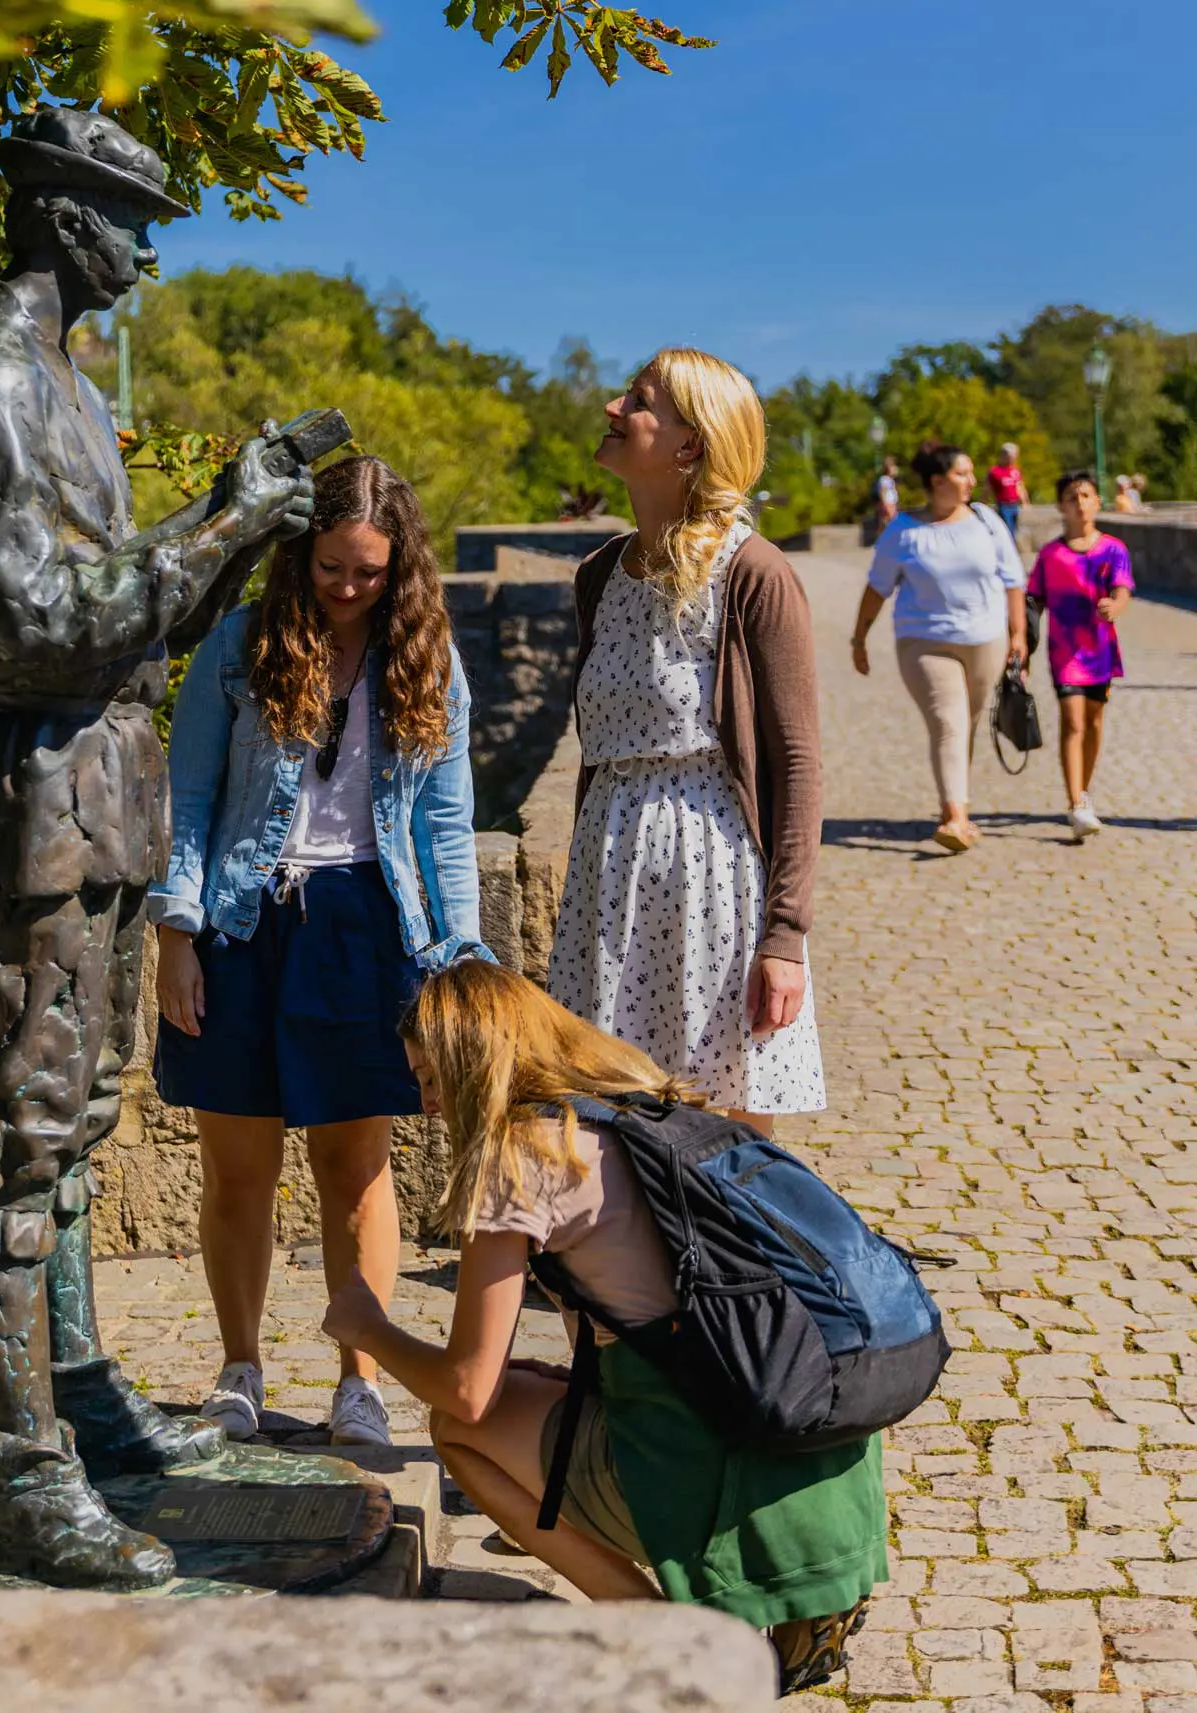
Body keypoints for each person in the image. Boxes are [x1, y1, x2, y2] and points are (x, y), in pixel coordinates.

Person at [0, 107, 317, 1586]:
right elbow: (32, 631)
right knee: (24, 1141)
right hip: (49, 792)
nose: (143, 255)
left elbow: (127, 617)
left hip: (108, 787)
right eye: (131, 224)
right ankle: (30, 1480)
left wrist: (235, 523)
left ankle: (85, 1405)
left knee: (74, 1135)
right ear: (66, 219)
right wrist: (216, 539)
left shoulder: (62, 384)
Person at [321, 959, 886, 1694]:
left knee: (458, 1431)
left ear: (474, 1064)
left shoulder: (521, 1157)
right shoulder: (640, 1096)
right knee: (521, 1387)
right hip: (813, 1432)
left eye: (431, 1077)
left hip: (712, 1458)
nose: (426, 1104)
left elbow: (465, 1388)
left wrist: (368, 1326)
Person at [149, 455, 487, 1450]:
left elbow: (448, 826)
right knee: (236, 1167)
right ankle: (240, 1368)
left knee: (356, 1165)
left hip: (367, 923)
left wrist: (458, 962)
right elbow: (192, 799)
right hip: (242, 921)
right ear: (301, 556)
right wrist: (176, 934)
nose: (347, 589)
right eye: (332, 568)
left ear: (402, 568)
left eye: (370, 573)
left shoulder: (428, 661)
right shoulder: (237, 646)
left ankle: (360, 1381)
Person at [547, 348, 825, 1137]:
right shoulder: (599, 575)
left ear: (688, 445)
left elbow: (798, 763)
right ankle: (629, 1265)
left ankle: (740, 1263)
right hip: (609, 868)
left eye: (637, 400)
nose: (611, 407)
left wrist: (785, 936)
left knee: (725, 1130)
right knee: (606, 1114)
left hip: (712, 876)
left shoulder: (754, 574)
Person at [851, 442, 1028, 853]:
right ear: (936, 481)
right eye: (961, 473)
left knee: (965, 721)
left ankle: (955, 803)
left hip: (986, 638)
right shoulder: (904, 532)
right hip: (923, 642)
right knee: (948, 721)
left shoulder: (987, 521)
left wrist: (1018, 634)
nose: (971, 480)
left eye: (971, 473)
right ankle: (955, 816)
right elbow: (877, 589)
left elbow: (1013, 579)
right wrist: (859, 639)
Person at [1028, 469, 1135, 841]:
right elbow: (1033, 603)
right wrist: (1021, 649)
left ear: (1098, 502)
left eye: (1086, 495)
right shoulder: (1050, 555)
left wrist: (1116, 607)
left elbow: (1122, 589)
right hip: (1065, 651)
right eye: (1072, 497)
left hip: (1100, 649)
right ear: (1060, 506)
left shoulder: (1113, 549)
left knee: (1093, 723)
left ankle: (1083, 792)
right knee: (1072, 722)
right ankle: (1076, 803)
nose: (1080, 503)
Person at [987, 442, 1028, 540]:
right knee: (1007, 531)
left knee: (1014, 531)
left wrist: (1025, 502)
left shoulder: (1015, 470)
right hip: (1003, 505)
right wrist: (983, 503)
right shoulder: (995, 471)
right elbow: (988, 489)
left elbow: (1020, 487)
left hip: (1015, 505)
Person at [873, 454, 900, 536]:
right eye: (893, 466)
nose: (895, 469)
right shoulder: (884, 479)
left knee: (888, 521)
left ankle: (883, 536)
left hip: (892, 503)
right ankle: (881, 536)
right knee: (889, 521)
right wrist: (884, 504)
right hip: (887, 503)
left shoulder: (891, 480)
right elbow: (882, 492)